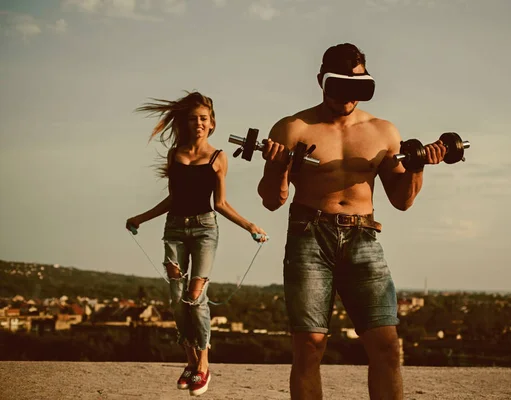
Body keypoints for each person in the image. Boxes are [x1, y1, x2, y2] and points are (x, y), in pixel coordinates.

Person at [257, 43, 447, 400]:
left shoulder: (383, 132)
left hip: (363, 236)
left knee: (387, 346)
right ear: (321, 80)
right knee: (310, 346)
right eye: (338, 84)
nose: (346, 96)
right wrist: (277, 165)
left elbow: (402, 201)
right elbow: (272, 200)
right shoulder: (292, 128)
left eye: (354, 85)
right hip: (309, 235)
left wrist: (419, 168)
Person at [126, 91, 268, 396]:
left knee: (195, 296)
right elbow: (173, 199)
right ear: (186, 123)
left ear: (212, 124)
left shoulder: (218, 158)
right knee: (177, 299)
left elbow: (221, 204)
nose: (199, 123)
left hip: (205, 230)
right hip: (174, 230)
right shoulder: (175, 154)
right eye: (194, 119)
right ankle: (189, 363)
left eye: (204, 118)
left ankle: (203, 366)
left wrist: (250, 226)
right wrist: (141, 217)